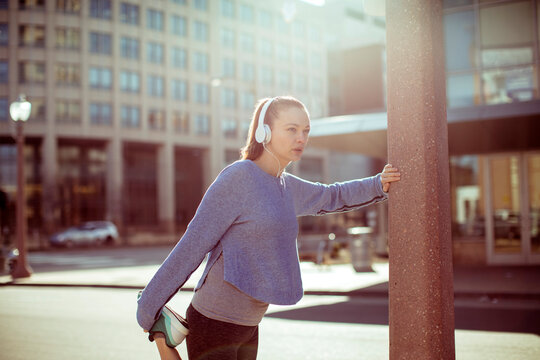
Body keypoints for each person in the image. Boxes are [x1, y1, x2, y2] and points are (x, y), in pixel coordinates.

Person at [136, 96, 401, 360]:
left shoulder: (286, 186)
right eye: (291, 129)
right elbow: (193, 245)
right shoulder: (238, 178)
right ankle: (161, 337)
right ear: (264, 131)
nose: (301, 138)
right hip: (214, 320)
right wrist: (149, 307)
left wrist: (380, 183)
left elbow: (332, 196)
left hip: (249, 326)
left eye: (306, 131)